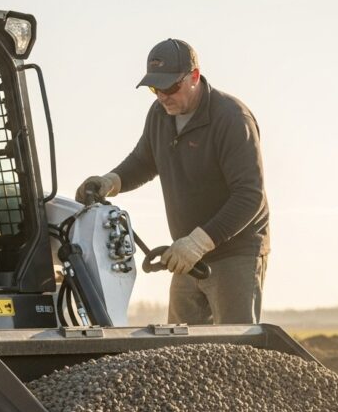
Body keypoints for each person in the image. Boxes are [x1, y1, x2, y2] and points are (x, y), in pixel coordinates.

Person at [76, 39, 269, 324]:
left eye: (170, 88)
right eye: (155, 89)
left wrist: (197, 243)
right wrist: (111, 181)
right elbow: (144, 161)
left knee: (234, 349)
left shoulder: (231, 119)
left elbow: (249, 196)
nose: (162, 96)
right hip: (185, 255)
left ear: (194, 76)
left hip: (234, 252)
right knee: (180, 347)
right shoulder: (160, 115)